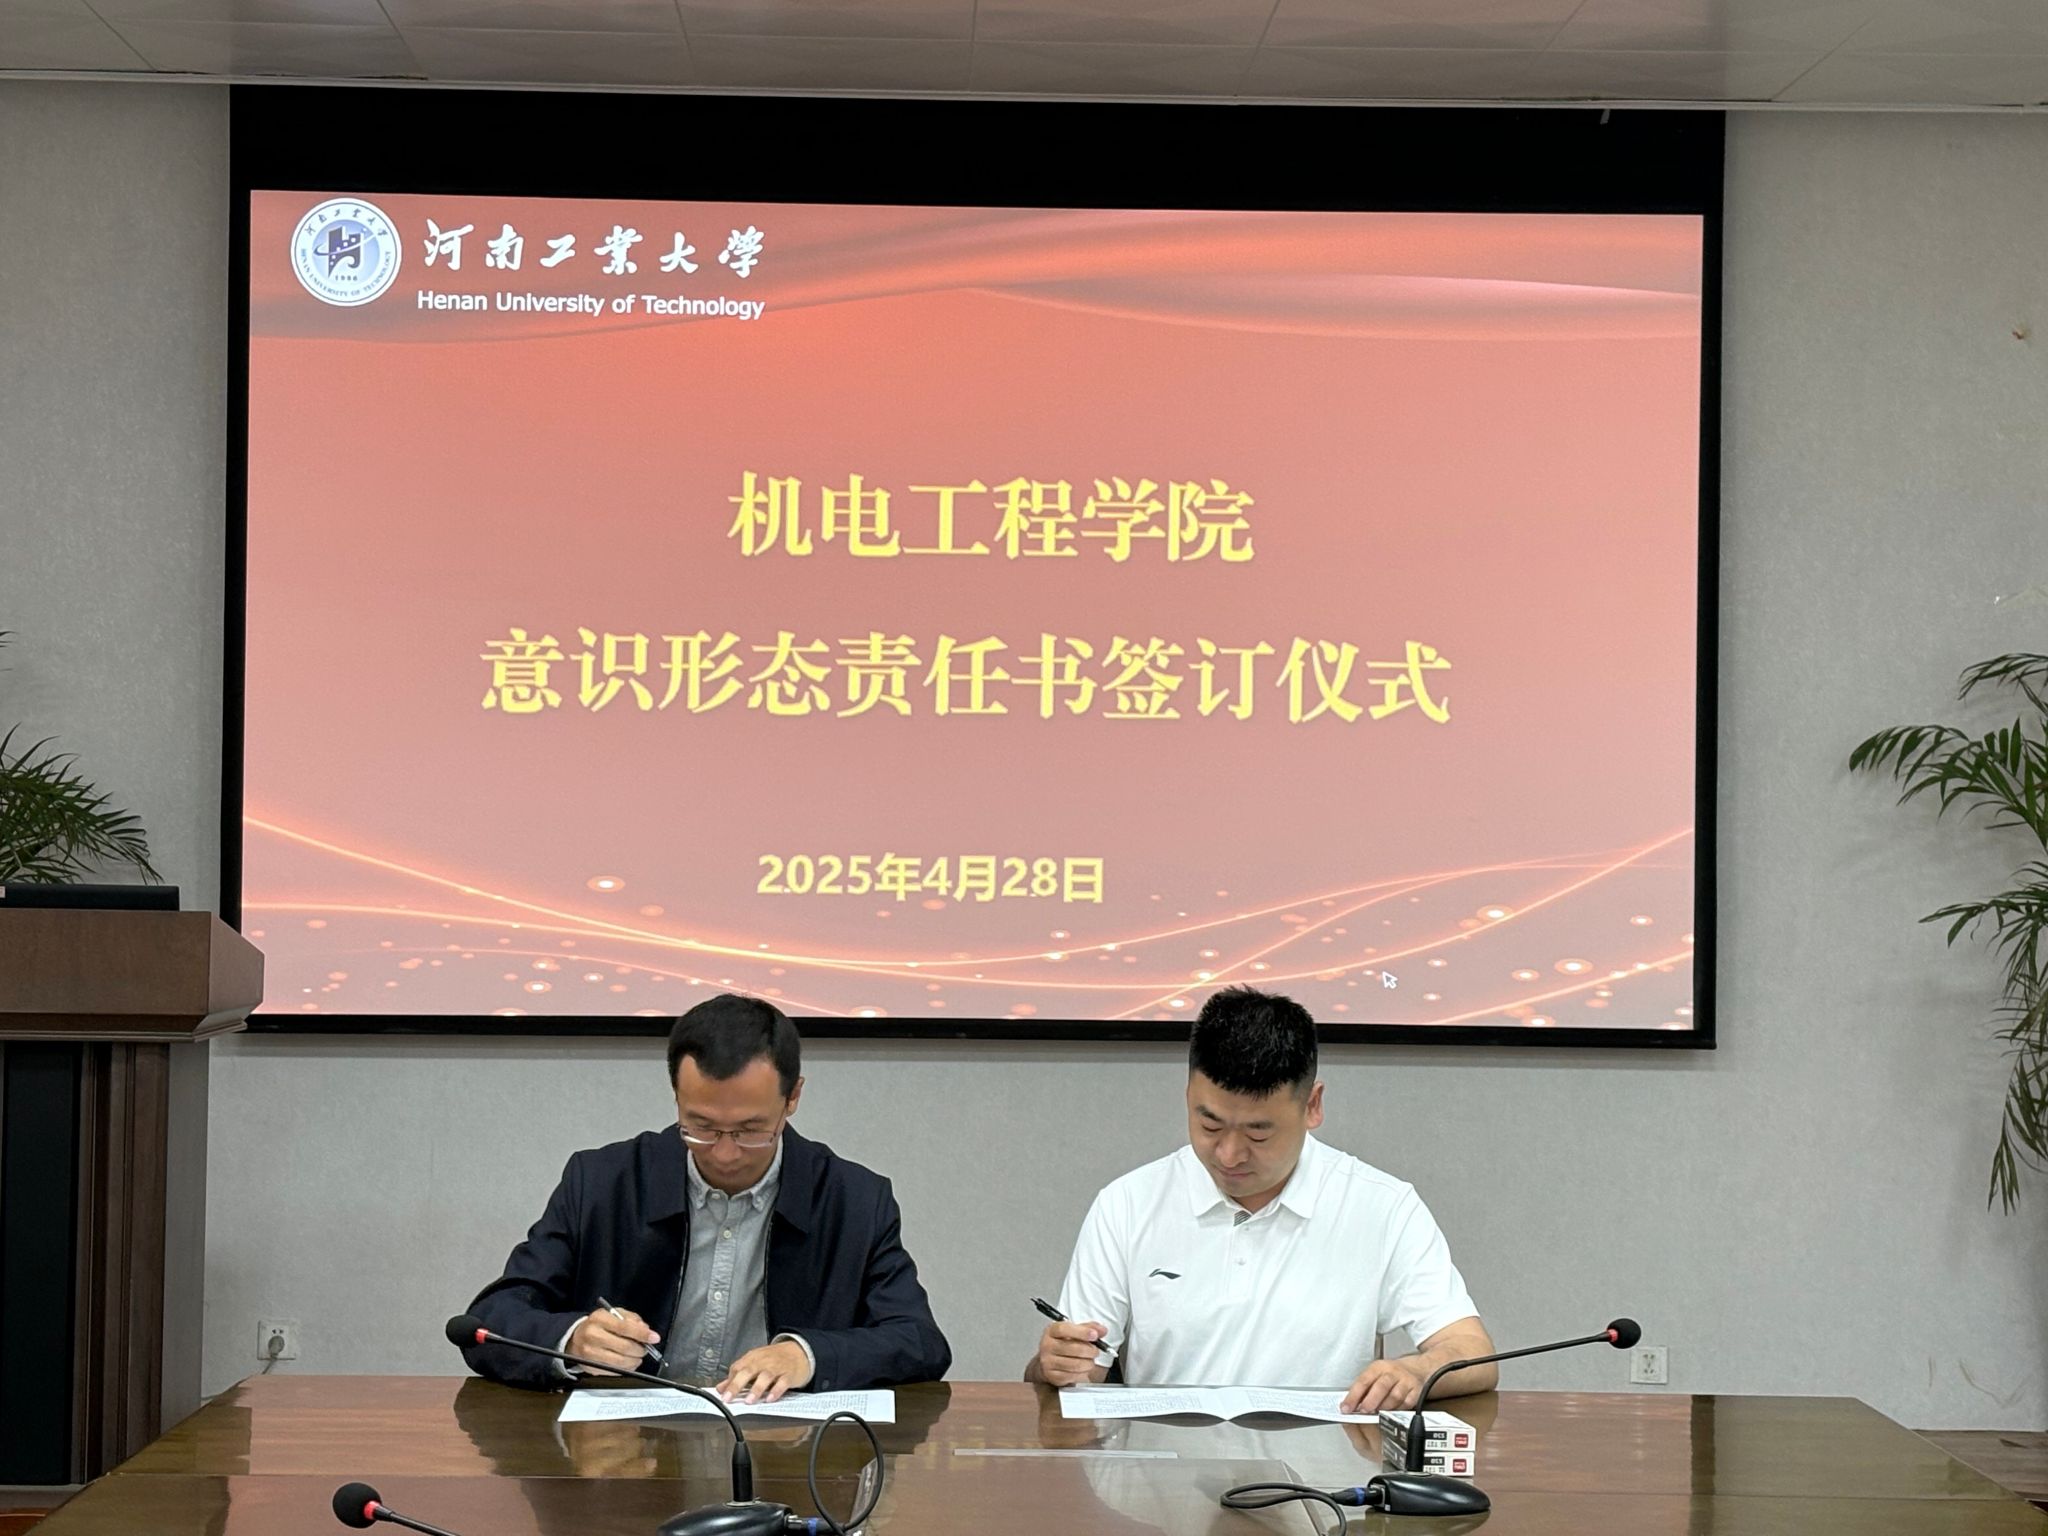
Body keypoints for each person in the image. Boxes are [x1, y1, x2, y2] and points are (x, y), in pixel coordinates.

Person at [1028, 986, 1494, 1412]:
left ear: (1312, 1105)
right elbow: (1079, 1374)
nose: (1229, 1154)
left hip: (1327, 1470)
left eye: (1258, 1133)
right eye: (1209, 1125)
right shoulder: (1128, 1204)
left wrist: (1416, 1371)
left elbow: (1472, 1352)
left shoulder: (1383, 1207)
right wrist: (1056, 1364)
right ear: (1189, 1095)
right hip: (1166, 1469)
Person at [461, 994, 951, 1399]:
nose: (725, 1153)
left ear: (793, 1098)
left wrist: (807, 1355)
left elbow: (920, 1341)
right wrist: (571, 1341)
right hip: (626, 1455)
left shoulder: (853, 1200)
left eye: (750, 1130)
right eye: (701, 1127)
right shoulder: (603, 1182)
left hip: (783, 1455)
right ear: (676, 1095)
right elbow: (491, 1320)